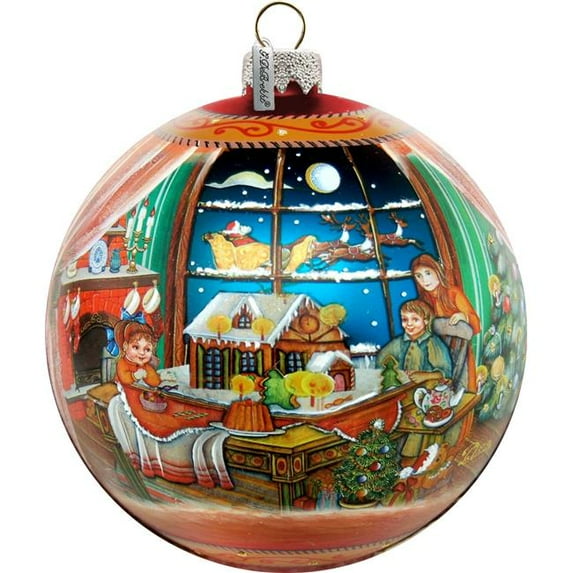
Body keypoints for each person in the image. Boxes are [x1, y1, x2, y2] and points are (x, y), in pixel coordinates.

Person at [377, 300, 452, 384]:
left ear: (426, 321)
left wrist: (426, 376)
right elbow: (381, 360)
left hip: (427, 387)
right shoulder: (399, 342)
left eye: (415, 319)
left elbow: (445, 372)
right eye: (405, 320)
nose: (409, 324)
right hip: (404, 385)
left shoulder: (432, 342)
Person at [411, 253, 480, 334]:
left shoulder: (453, 293)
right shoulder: (422, 301)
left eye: (428, 273)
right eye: (419, 276)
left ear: (437, 271)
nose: (424, 280)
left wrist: (464, 317)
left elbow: (477, 324)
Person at [114, 320, 161, 387]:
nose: (142, 353)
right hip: (121, 390)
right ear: (125, 346)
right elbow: (124, 379)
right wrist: (135, 376)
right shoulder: (122, 363)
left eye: (147, 349)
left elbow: (155, 382)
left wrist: (153, 377)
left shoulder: (146, 366)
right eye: (136, 347)